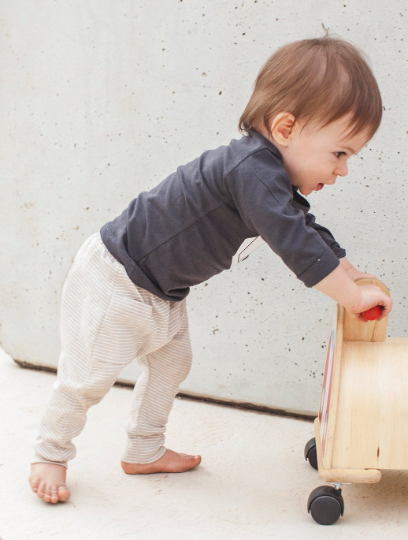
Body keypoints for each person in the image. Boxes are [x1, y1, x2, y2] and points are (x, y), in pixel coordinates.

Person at [29, 35, 393, 503]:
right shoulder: (250, 172)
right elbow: (297, 246)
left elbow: (308, 230)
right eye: (339, 153)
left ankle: (143, 450)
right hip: (116, 278)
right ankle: (50, 454)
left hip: (161, 291)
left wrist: (356, 277)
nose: (342, 170)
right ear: (285, 129)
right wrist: (351, 296)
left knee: (173, 363)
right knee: (88, 377)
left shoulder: (270, 181)